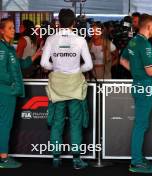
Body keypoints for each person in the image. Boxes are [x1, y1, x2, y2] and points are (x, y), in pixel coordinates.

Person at [40, 9, 93, 169]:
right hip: (75, 85)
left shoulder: (51, 39)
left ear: (58, 23)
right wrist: (76, 69)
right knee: (76, 122)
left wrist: (56, 67)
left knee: (57, 122)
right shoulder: (80, 40)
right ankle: (77, 160)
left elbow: (43, 64)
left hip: (57, 85)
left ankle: (56, 159)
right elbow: (89, 65)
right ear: (74, 23)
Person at [120, 13, 152, 173]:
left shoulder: (133, 41)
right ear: (148, 26)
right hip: (145, 86)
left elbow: (122, 60)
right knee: (141, 125)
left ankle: (138, 158)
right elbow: (150, 71)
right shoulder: (145, 45)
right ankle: (136, 162)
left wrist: (136, 72)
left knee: (141, 124)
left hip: (138, 85)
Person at [0, 18, 41, 168]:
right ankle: (3, 159)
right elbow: (1, 73)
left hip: (9, 91)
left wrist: (35, 55)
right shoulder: (2, 49)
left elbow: (20, 65)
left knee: (4, 124)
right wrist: (12, 83)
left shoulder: (9, 48)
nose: (13, 30)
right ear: (2, 31)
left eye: (13, 28)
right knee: (4, 125)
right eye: (10, 28)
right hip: (6, 92)